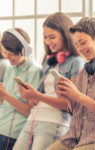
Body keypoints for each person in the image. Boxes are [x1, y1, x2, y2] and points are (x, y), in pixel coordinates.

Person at [45, 17, 95, 150]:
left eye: (83, 42)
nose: (80, 49)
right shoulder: (82, 72)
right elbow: (76, 111)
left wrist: (78, 95)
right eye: (76, 44)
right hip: (72, 137)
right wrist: (69, 97)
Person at [13, 12, 84, 150]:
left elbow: (68, 105)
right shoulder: (48, 61)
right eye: (45, 37)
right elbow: (37, 99)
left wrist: (37, 96)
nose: (48, 42)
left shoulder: (76, 62)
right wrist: (28, 95)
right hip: (34, 119)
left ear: (65, 35)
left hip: (54, 122)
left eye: (52, 37)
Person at [0, 28, 41, 150]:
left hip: (16, 134)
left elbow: (29, 111)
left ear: (25, 50)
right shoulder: (10, 69)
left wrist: (5, 94)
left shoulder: (35, 71)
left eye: (11, 53)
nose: (8, 57)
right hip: (2, 127)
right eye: (5, 53)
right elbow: (3, 102)